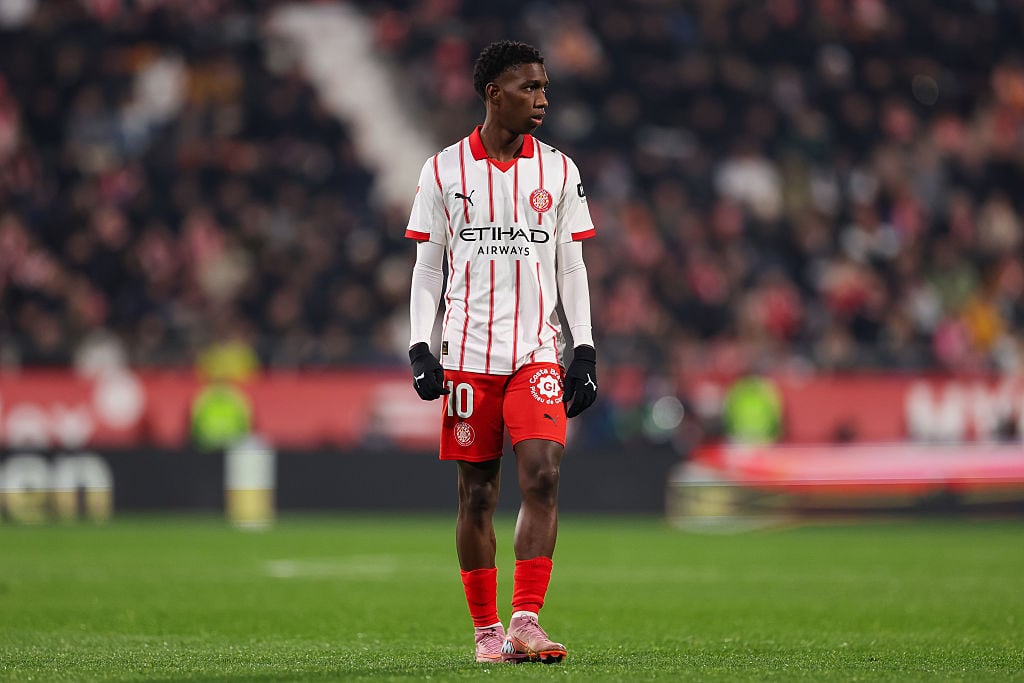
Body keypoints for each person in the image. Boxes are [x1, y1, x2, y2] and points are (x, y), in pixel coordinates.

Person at [405, 40, 598, 665]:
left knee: (543, 473)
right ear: (493, 92)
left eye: (544, 87)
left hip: (536, 351)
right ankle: (487, 632)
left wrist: (585, 349)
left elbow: (571, 264)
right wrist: (420, 346)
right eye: (529, 88)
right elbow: (426, 269)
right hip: (466, 354)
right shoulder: (442, 172)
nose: (542, 99)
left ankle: (525, 620)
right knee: (478, 494)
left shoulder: (560, 171)